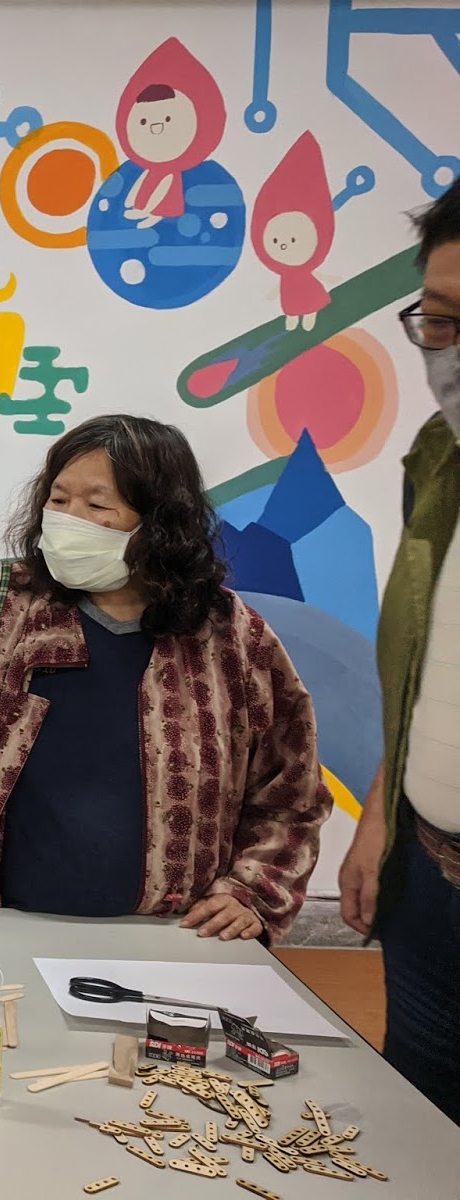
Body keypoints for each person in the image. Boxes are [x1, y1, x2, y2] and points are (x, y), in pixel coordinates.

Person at [0, 414, 330, 941]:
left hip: (174, 934)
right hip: (1, 924)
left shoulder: (230, 633)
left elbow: (291, 788)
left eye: (97, 506)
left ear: (160, 522)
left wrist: (254, 891)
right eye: (58, 500)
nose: (68, 520)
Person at [338, 180, 460, 1126]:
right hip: (428, 887)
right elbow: (423, 677)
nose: (452, 355)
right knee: (417, 1127)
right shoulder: (439, 459)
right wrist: (382, 811)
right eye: (443, 321)